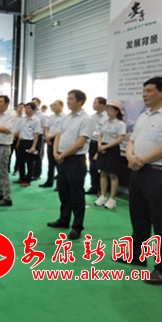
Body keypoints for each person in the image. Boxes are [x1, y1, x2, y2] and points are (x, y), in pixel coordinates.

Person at [120, 77, 162, 285]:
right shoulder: (144, 115)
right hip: (139, 172)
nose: (144, 94)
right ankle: (137, 256)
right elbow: (132, 140)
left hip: (161, 174)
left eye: (149, 91)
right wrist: (131, 157)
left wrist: (140, 160)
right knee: (138, 217)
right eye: (144, 91)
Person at [48, 89, 95, 240]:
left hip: (75, 160)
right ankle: (64, 219)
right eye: (67, 98)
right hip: (62, 159)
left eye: (71, 99)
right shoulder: (66, 117)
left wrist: (63, 154)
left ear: (80, 101)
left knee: (76, 195)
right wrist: (55, 152)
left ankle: (77, 226)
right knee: (63, 192)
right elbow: (58, 135)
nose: (68, 101)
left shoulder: (86, 119)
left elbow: (80, 143)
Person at [94, 101, 126, 209]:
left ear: (117, 111)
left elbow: (120, 139)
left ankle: (112, 199)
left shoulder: (120, 124)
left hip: (112, 149)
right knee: (103, 173)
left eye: (111, 109)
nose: (108, 111)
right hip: (102, 148)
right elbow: (100, 134)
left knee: (113, 174)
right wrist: (100, 145)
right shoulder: (105, 122)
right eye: (108, 109)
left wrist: (106, 146)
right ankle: (103, 196)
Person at [15, 102, 41, 187]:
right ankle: (22, 178)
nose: (26, 110)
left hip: (30, 142)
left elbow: (36, 134)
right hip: (22, 141)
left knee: (30, 162)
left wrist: (33, 146)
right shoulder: (22, 119)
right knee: (20, 161)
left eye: (28, 108)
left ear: (33, 110)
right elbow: (20, 131)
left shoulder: (36, 120)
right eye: (26, 108)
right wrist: (18, 143)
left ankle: (28, 180)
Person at [40, 100, 65, 188]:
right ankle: (49, 181)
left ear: (61, 106)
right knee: (50, 162)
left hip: (58, 139)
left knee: (58, 162)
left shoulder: (64, 117)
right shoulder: (51, 116)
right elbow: (47, 127)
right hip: (49, 139)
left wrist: (50, 137)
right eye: (53, 105)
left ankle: (60, 184)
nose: (53, 106)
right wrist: (47, 136)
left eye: (55, 105)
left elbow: (61, 131)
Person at [86, 97, 108, 195]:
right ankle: (94, 186)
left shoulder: (107, 117)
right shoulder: (92, 117)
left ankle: (101, 189)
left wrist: (101, 145)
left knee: (102, 167)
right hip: (92, 143)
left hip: (102, 144)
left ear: (102, 105)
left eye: (95, 103)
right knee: (92, 166)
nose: (93, 105)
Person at [31, 98, 49, 180]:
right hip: (30, 136)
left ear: (38, 104)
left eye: (34, 103)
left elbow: (45, 127)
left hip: (39, 136)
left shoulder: (43, 115)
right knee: (30, 155)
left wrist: (46, 137)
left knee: (37, 155)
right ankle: (31, 172)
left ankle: (37, 174)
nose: (32, 104)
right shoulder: (31, 113)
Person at [10, 103, 25, 174]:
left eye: (22, 107)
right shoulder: (13, 117)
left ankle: (16, 169)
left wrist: (19, 133)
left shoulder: (25, 118)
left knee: (18, 155)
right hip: (11, 137)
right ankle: (7, 168)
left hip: (20, 138)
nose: (20, 109)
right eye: (19, 107)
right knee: (8, 154)